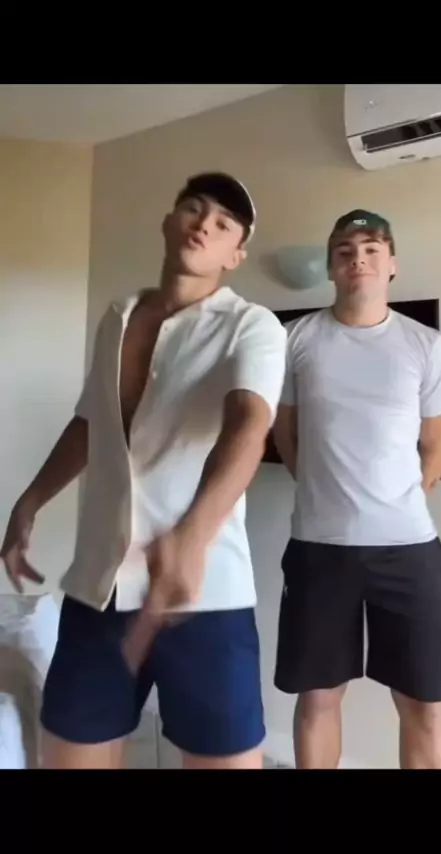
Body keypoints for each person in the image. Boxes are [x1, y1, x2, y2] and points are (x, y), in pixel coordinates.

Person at [0, 172, 287, 770]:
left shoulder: (251, 325)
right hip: (96, 592)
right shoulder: (118, 316)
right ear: (168, 222)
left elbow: (248, 427)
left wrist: (192, 537)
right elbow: (91, 422)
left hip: (204, 598)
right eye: (193, 208)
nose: (204, 223)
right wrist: (30, 501)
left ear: (234, 254)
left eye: (224, 224)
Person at [273, 209, 441, 770]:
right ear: (332, 266)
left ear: (392, 264)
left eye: (372, 249)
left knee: (425, 706)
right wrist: (328, 494)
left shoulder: (427, 347)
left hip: (408, 552)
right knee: (318, 699)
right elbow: (286, 437)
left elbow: (438, 449)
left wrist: (389, 502)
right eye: (345, 251)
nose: (358, 259)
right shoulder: (295, 340)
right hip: (318, 550)